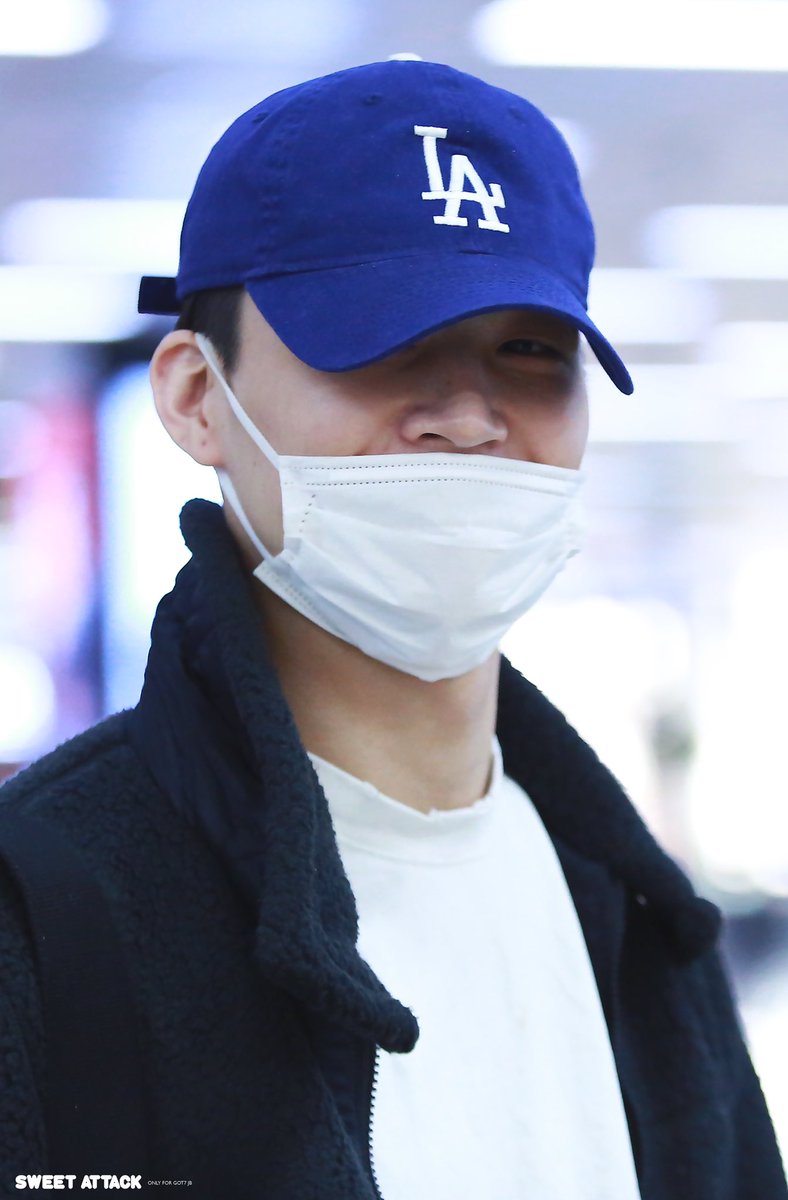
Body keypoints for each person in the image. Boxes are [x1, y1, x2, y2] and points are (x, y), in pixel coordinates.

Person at [0, 57, 784, 1200]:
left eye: (529, 351)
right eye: (376, 337)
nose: (466, 417)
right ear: (195, 398)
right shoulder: (48, 911)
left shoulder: (638, 916)